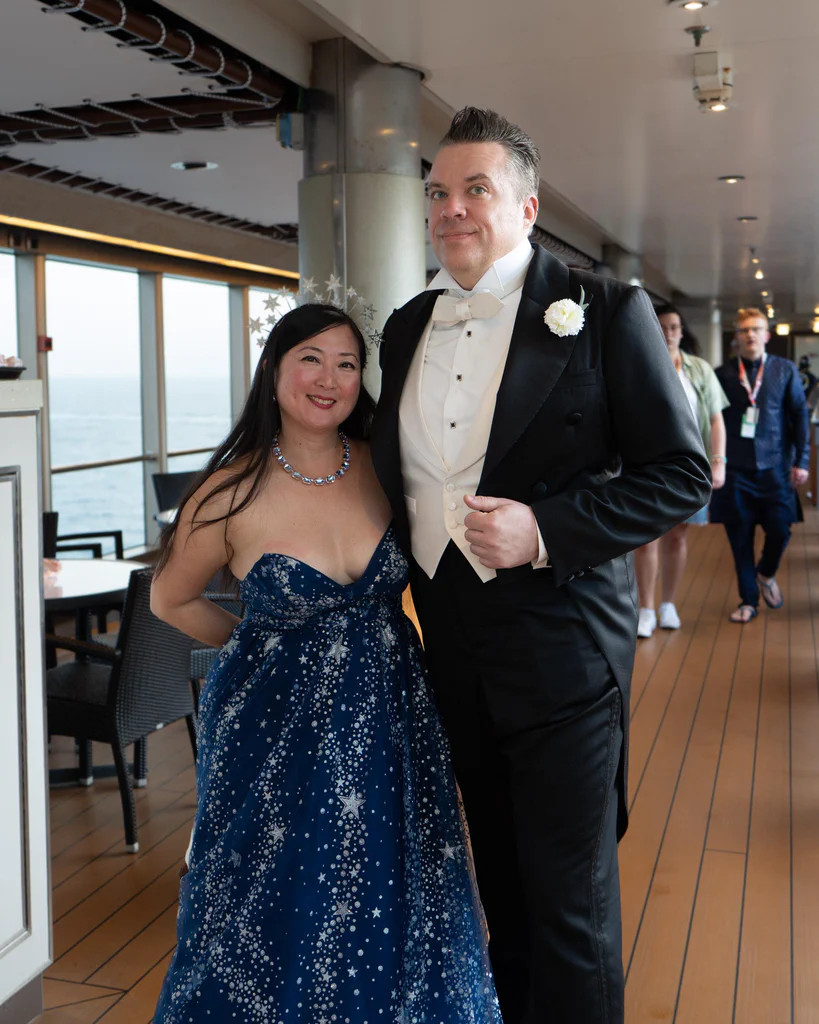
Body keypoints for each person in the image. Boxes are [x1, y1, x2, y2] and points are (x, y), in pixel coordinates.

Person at [372, 107, 711, 1024]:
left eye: (474, 189)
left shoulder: (604, 309)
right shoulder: (406, 326)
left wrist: (545, 528)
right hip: (451, 652)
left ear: (526, 207)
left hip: (563, 654)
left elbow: (679, 474)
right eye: (437, 192)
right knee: (506, 902)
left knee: (570, 912)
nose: (450, 209)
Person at [150, 304, 501, 1023]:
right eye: (311, 358)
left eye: (347, 364)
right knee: (270, 897)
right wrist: (260, 643)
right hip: (276, 734)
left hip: (391, 723)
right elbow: (171, 598)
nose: (329, 379)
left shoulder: (386, 464)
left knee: (395, 889)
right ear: (274, 369)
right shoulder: (228, 490)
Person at [634, 304, 729, 637]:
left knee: (677, 537)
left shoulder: (699, 369)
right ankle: (645, 609)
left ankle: (668, 604)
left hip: (689, 463)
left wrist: (718, 461)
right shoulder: (638, 362)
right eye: (661, 326)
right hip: (645, 463)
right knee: (646, 539)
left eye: (674, 326)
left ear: (682, 331)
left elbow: (717, 419)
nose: (668, 332)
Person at [711, 307, 809, 623]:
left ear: (766, 335)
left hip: (776, 468)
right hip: (736, 471)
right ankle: (748, 601)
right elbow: (713, 422)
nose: (750, 335)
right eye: (744, 331)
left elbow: (799, 416)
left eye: (756, 329)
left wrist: (801, 460)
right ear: (736, 338)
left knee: (781, 529)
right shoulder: (722, 375)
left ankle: (766, 573)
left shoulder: (785, 370)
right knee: (740, 539)